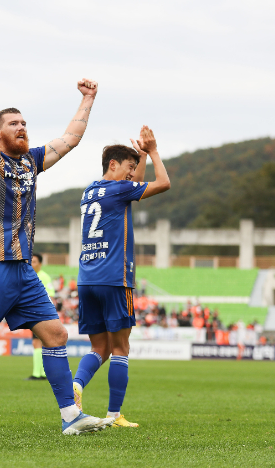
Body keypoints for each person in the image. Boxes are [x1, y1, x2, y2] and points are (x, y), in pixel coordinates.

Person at [0, 58, 113, 438]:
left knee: (55, 334)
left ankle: (70, 416)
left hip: (22, 270)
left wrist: (87, 99)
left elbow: (71, 139)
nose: (22, 128)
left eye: (25, 123)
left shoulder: (31, 161)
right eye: (14, 123)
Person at [72, 125, 171, 428]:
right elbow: (163, 183)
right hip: (115, 278)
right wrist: (152, 151)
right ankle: (115, 415)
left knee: (98, 348)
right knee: (121, 348)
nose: (131, 175)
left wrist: (137, 156)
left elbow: (134, 184)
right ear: (112, 165)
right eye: (128, 168)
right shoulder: (121, 190)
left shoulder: (90, 191)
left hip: (87, 278)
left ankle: (75, 386)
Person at [26, 253, 54, 380]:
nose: (32, 264)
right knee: (40, 343)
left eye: (35, 261)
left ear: (40, 264)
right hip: (34, 313)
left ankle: (37, 374)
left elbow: (51, 296)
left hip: (41, 313)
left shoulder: (44, 277)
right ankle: (42, 373)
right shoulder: (29, 275)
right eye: (31, 261)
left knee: (37, 343)